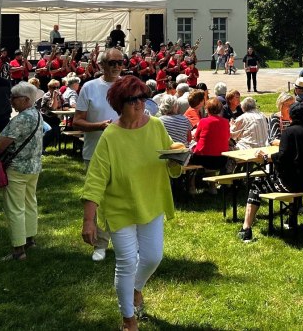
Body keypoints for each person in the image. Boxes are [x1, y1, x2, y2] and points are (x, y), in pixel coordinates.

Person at [82, 75, 182, 331]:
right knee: (126, 261)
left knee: (152, 257)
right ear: (118, 104)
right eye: (131, 100)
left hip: (151, 202)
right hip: (119, 208)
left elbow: (169, 159)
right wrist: (89, 220)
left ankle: (136, 288)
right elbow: (95, 179)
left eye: (141, 97)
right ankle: (128, 318)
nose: (139, 104)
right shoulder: (110, 136)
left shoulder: (157, 126)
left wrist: (177, 159)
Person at [237, 101, 303, 242]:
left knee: (257, 183)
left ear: (290, 117)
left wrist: (266, 157)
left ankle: (246, 228)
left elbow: (283, 157)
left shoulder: (289, 132)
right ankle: (291, 220)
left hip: (293, 184)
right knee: (291, 179)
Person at [73, 48, 125, 261]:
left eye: (120, 62)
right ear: (101, 65)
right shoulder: (90, 87)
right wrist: (99, 126)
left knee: (122, 199)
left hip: (124, 153)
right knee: (97, 200)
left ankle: (124, 242)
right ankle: (100, 244)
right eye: (112, 63)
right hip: (95, 152)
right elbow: (77, 121)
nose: (116, 67)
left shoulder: (127, 86)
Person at [0, 82, 43, 261]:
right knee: (29, 203)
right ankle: (30, 240)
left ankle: (18, 250)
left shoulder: (21, 119)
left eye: (14, 98)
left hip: (17, 168)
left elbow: (1, 145)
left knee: (15, 208)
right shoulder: (37, 114)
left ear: (26, 99)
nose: (11, 101)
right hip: (33, 167)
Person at [189, 90, 229, 186]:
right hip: (221, 159)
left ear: (207, 109)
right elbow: (227, 137)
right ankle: (213, 186)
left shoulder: (203, 121)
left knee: (189, 156)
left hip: (204, 158)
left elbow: (196, 137)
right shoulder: (225, 122)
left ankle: (192, 186)